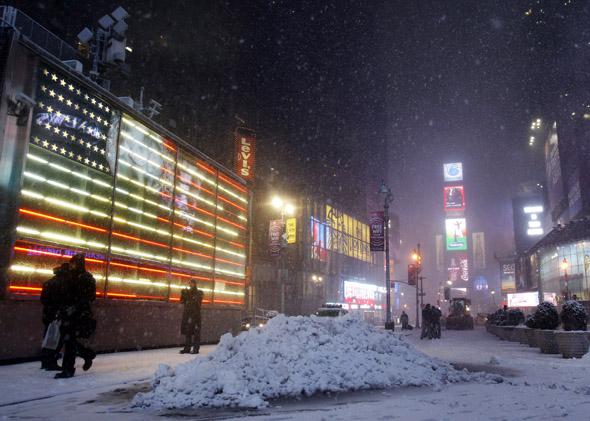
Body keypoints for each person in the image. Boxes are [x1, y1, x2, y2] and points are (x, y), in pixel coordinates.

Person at [55, 254, 97, 379]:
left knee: (69, 340)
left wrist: (74, 307)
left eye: (73, 263)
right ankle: (86, 354)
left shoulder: (84, 278)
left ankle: (68, 369)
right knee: (68, 339)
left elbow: (89, 297)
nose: (72, 266)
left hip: (77, 314)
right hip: (72, 313)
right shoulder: (77, 277)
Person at [40, 263, 67, 371]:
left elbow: (43, 299)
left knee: (47, 338)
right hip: (57, 315)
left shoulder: (49, 282)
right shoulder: (63, 284)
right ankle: (52, 361)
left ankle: (45, 361)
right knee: (57, 339)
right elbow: (64, 300)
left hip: (48, 314)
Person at [180, 279, 204, 354]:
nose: (190, 284)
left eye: (192, 283)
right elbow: (182, 301)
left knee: (196, 332)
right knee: (188, 332)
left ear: (195, 284)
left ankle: (196, 349)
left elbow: (196, 302)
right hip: (188, 315)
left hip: (195, 315)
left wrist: (188, 295)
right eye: (189, 283)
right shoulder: (188, 292)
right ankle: (187, 348)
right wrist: (183, 294)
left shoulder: (198, 293)